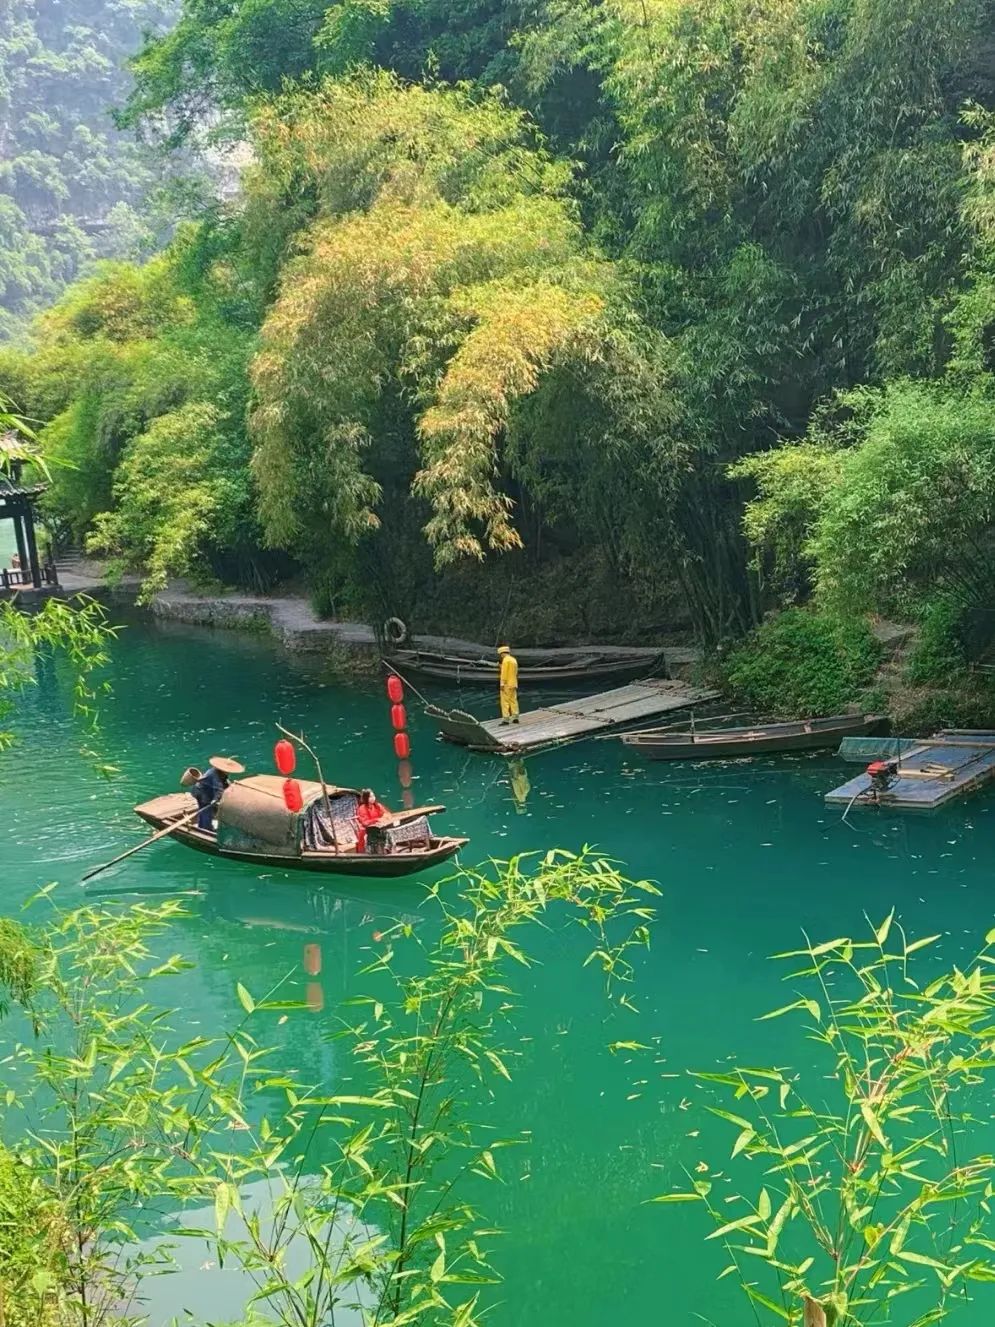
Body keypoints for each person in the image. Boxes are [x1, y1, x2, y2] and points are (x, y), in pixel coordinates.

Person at [192, 756, 245, 831]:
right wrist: (215, 799)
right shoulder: (214, 775)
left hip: (208, 791)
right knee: (206, 811)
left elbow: (224, 783)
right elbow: (218, 789)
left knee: (206, 811)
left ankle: (202, 826)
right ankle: (205, 829)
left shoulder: (220, 773)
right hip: (202, 793)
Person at [356, 788, 391, 853]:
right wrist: (376, 820)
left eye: (373, 796)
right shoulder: (362, 808)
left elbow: (387, 814)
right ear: (366, 798)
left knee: (389, 831)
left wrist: (384, 817)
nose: (373, 798)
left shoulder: (378, 806)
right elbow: (364, 823)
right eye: (370, 797)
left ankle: (387, 849)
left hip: (378, 827)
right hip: (366, 830)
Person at [498, 643, 519, 724]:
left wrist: (502, 684)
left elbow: (504, 673)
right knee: (513, 700)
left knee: (505, 701)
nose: (501, 656)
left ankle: (506, 719)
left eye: (501, 654)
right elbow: (514, 672)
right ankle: (515, 717)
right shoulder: (513, 660)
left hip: (506, 684)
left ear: (502, 653)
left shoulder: (505, 661)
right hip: (514, 683)